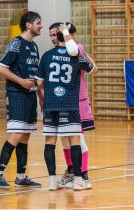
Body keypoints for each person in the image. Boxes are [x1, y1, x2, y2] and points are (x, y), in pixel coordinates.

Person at [36, 24, 95, 191]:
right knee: (74, 141)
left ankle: (53, 182)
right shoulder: (76, 56)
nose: (53, 37)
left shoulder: (47, 55)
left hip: (51, 103)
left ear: (59, 36)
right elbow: (92, 68)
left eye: (55, 34)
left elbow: (39, 82)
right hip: (69, 103)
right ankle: (78, 179)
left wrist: (47, 93)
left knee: (50, 142)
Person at [0, 11, 43, 189]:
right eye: (38, 22)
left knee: (25, 136)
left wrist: (40, 96)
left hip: (30, 95)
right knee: (16, 134)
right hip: (17, 94)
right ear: (28, 25)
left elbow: (35, 75)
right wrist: (21, 82)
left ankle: (21, 176)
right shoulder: (16, 43)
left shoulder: (34, 46)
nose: (40, 26)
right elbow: (1, 68)